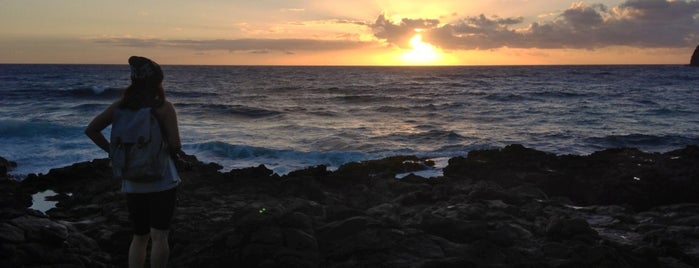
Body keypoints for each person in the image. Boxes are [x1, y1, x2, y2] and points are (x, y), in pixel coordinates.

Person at [85, 56, 183, 268]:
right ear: (157, 82)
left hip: (132, 180)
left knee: (139, 237)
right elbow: (176, 144)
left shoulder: (120, 107)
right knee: (159, 237)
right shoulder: (164, 108)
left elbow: (91, 130)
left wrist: (113, 153)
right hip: (162, 180)